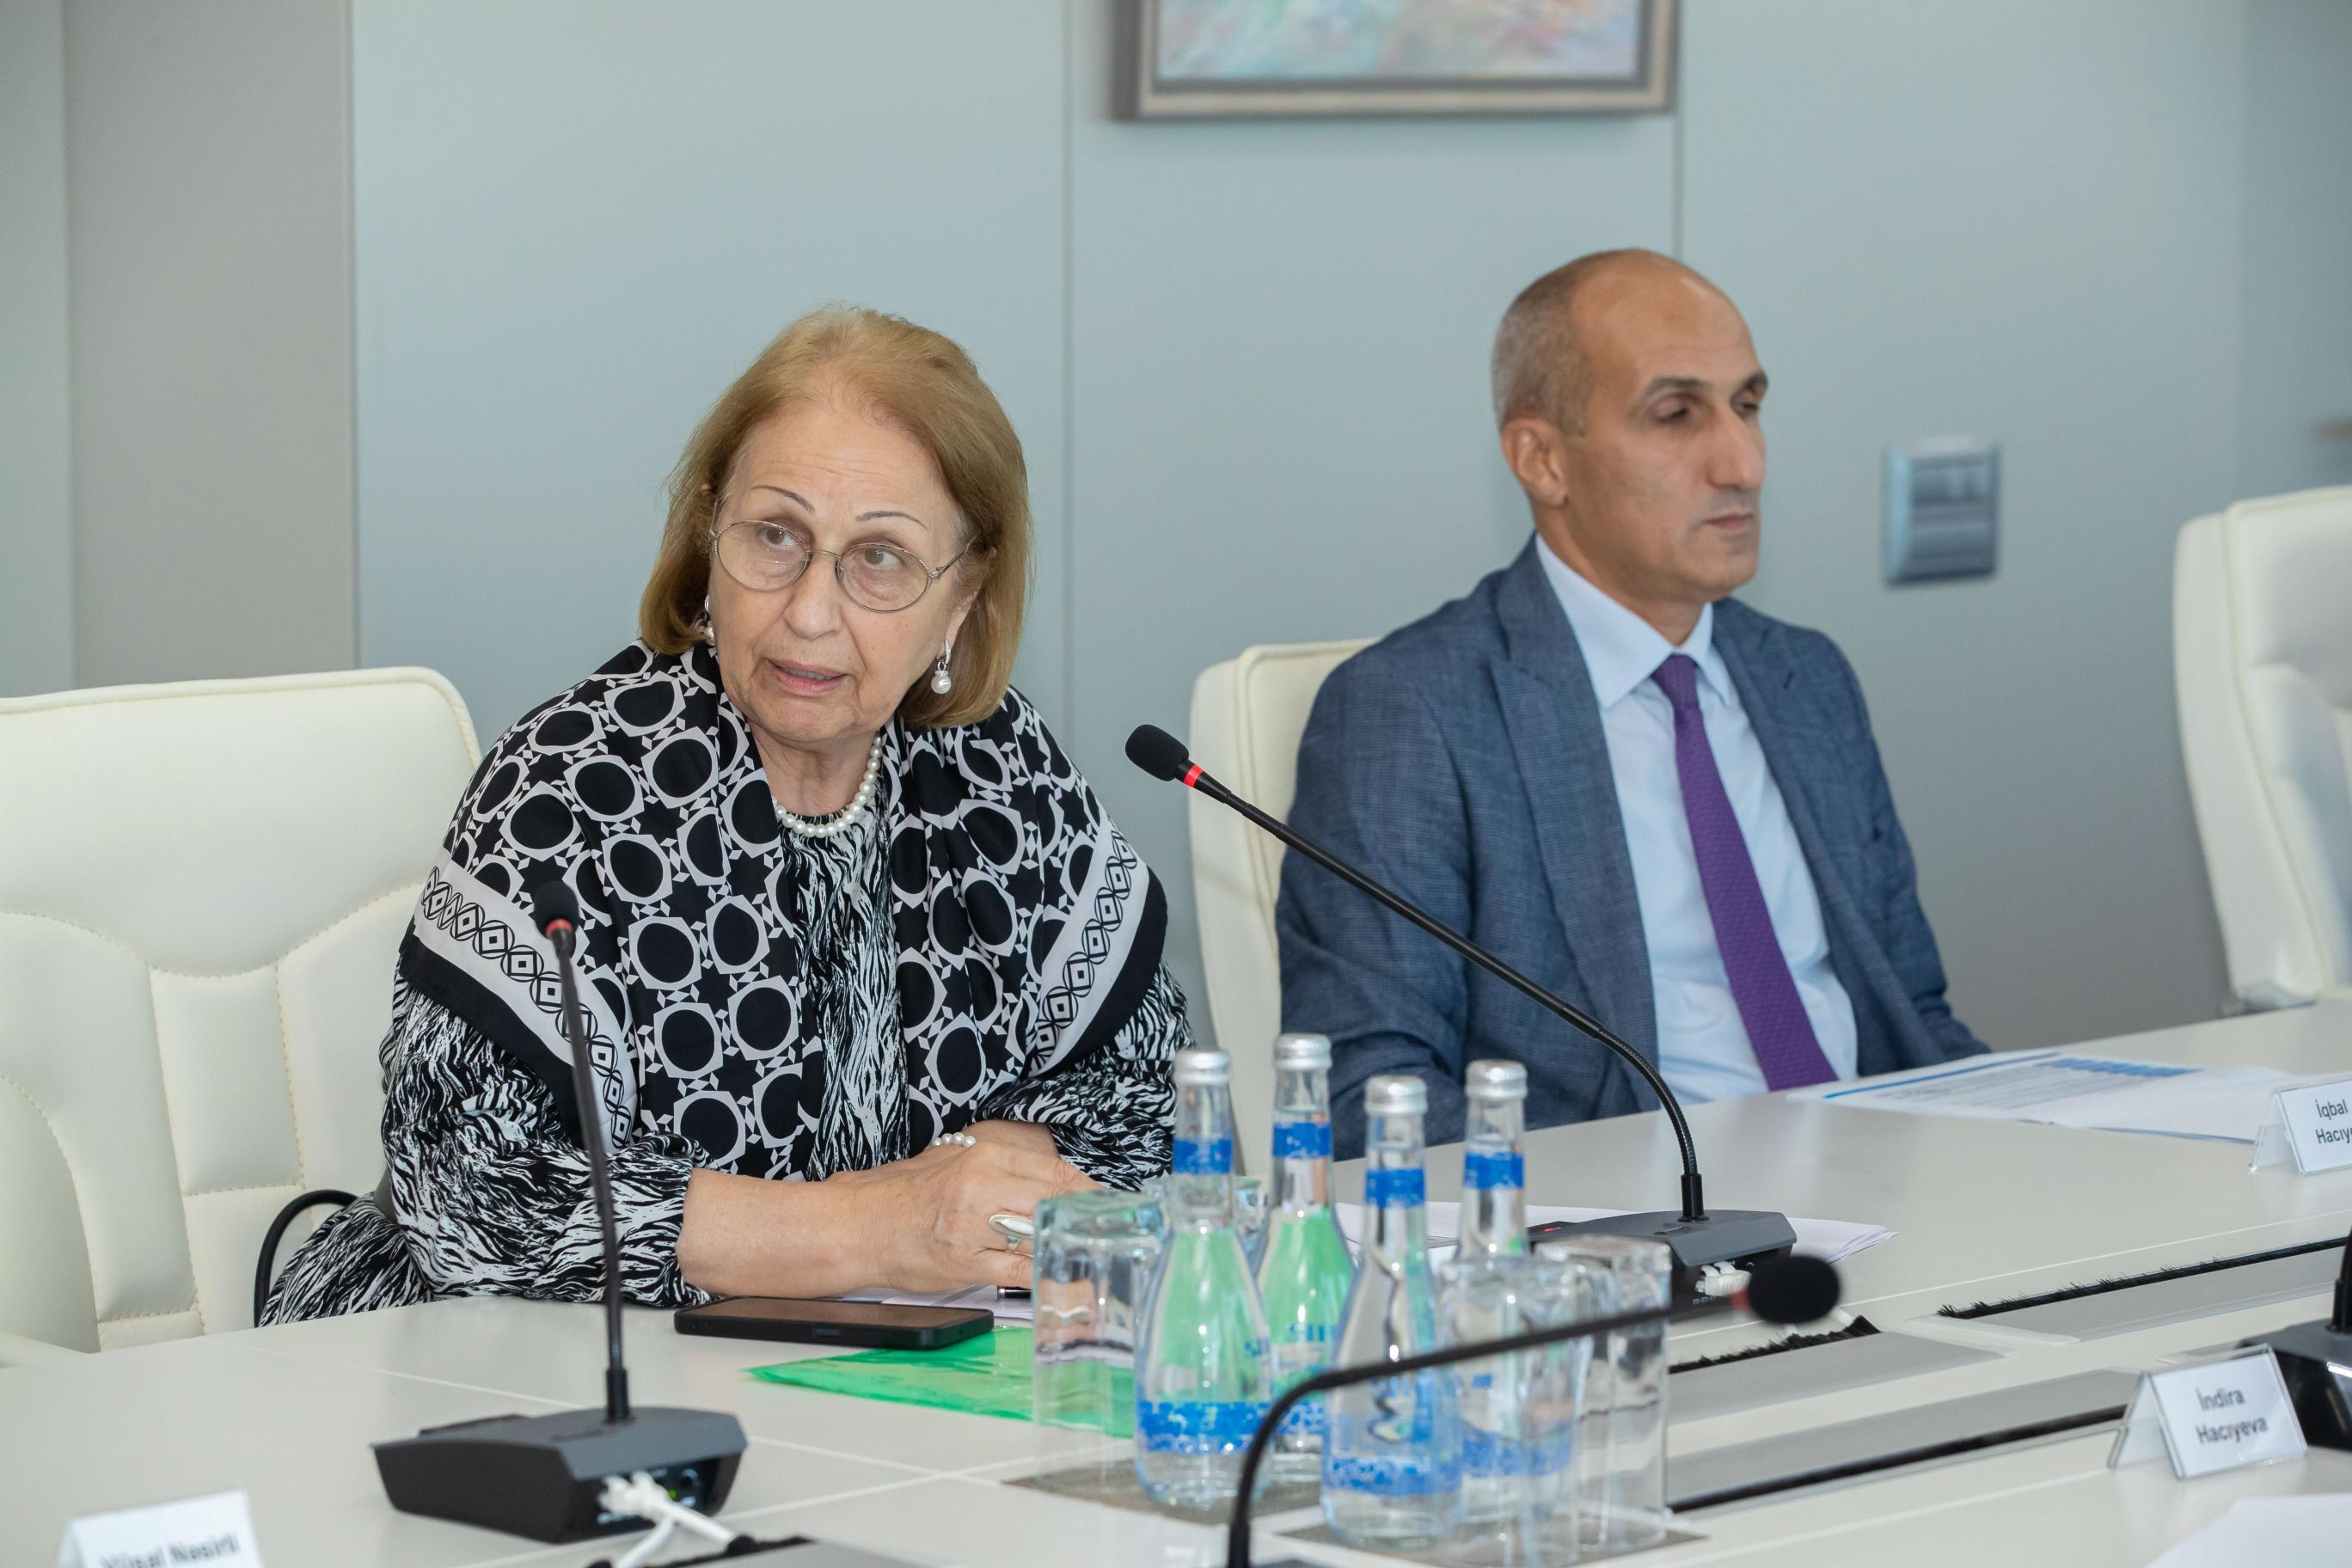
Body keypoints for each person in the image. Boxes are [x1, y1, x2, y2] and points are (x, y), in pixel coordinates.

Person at [267, 308, 1188, 1320]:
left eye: (880, 558)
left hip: (837, 1368)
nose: (809, 611)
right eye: (776, 536)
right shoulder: (575, 785)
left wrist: (967, 1196)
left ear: (963, 596)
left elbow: (1148, 1099)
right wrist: (877, 1229)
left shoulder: (999, 773)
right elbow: (471, 1191)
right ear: (710, 534)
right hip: (465, 1359)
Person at [1278, 250, 1985, 1157]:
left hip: (1877, 1178)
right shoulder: (1414, 713)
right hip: (1640, 1215)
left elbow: (1913, 1014)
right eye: (1677, 415)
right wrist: (1662, 1194)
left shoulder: (1807, 679)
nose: (1744, 463)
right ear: (1542, 460)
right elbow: (1372, 1100)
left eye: (1748, 406)